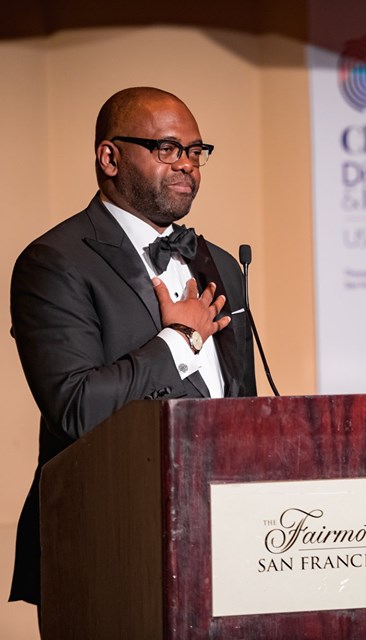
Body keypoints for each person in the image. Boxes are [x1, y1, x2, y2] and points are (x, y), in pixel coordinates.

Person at [7, 87, 257, 607]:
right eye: (167, 149)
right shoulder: (55, 262)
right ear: (110, 156)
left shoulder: (221, 265)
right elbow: (75, 408)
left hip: (230, 545)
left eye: (195, 151)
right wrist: (178, 340)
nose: (187, 165)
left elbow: (241, 410)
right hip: (109, 547)